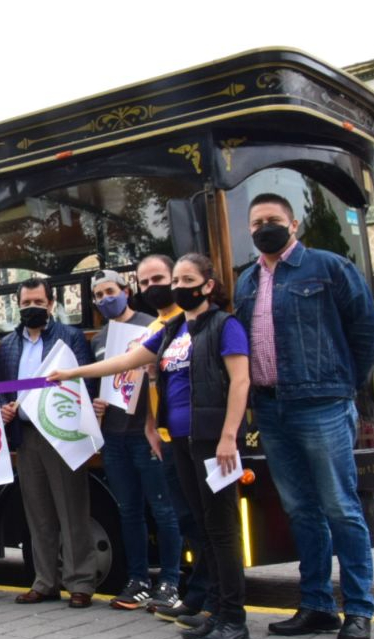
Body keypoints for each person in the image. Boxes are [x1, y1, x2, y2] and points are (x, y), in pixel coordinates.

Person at [53, 253, 251, 639]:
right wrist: (72, 373)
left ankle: (234, 618)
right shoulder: (173, 330)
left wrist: (229, 436)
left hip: (214, 441)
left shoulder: (225, 325)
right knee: (200, 526)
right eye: (174, 279)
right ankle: (214, 608)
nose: (177, 287)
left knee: (223, 529)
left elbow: (240, 383)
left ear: (208, 285)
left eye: (186, 279)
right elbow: (126, 361)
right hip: (178, 443)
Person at [234, 193, 374, 639]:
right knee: (301, 510)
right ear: (249, 229)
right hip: (271, 408)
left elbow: (365, 328)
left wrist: (343, 383)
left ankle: (358, 610)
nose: (265, 228)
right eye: (257, 222)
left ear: (293, 224)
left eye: (273, 220)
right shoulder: (246, 281)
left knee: (341, 507)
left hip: (322, 404)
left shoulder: (329, 267)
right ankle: (316, 605)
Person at [0, 277, 97, 608]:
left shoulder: (71, 337)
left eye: (37, 302)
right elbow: (2, 388)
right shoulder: (9, 344)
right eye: (25, 303)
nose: (31, 308)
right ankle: (45, 581)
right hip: (26, 437)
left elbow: (86, 383)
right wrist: (4, 408)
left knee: (72, 510)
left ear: (51, 304)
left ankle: (80, 583)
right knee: (37, 513)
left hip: (62, 434)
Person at [86, 270, 182, 612]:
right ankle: (138, 579)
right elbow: (101, 384)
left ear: (126, 291)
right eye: (98, 296)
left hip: (147, 433)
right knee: (129, 511)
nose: (104, 299)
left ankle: (171, 580)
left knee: (163, 509)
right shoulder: (98, 339)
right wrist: (97, 405)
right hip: (114, 435)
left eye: (109, 291)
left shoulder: (150, 325)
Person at [137, 255, 210, 628]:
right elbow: (154, 381)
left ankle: (210, 599)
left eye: (160, 279)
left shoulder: (203, 322)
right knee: (185, 518)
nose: (155, 288)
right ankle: (196, 596)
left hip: (199, 437)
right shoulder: (156, 327)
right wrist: (151, 425)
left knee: (205, 519)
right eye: (144, 282)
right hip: (166, 437)